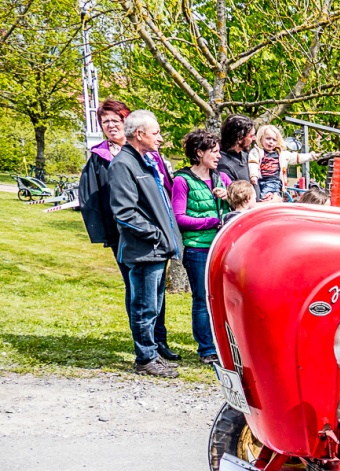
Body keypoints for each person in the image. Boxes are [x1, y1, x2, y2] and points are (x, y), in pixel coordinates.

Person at [78, 100, 176, 362]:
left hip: (152, 238)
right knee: (140, 295)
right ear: (140, 133)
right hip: (132, 238)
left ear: (127, 124)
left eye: (115, 120)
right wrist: (151, 233)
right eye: (105, 121)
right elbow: (111, 206)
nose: (110, 126)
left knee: (154, 295)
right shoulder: (109, 160)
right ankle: (146, 353)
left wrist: (166, 231)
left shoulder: (149, 158)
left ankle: (157, 343)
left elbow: (164, 193)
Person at [109, 110, 184, 378]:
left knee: (153, 305)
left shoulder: (145, 162)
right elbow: (124, 212)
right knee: (144, 306)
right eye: (156, 133)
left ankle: (151, 353)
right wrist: (155, 235)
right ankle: (145, 359)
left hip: (156, 249)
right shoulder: (123, 165)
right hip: (144, 251)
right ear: (139, 134)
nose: (160, 138)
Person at [172, 129, 231, 366]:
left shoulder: (222, 178)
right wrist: (213, 222)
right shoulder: (182, 181)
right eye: (214, 152)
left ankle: (224, 346)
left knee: (223, 299)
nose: (219, 156)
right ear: (199, 152)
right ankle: (207, 349)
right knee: (202, 299)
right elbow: (180, 218)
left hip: (222, 247)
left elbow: (241, 203)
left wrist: (228, 197)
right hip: (198, 249)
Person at [248, 125, 320, 201]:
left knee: (266, 196)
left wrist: (311, 156)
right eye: (268, 138)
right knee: (257, 196)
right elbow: (253, 163)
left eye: (274, 140)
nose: (271, 142)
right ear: (260, 138)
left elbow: (296, 157)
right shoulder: (257, 151)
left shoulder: (282, 154)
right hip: (260, 180)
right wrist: (253, 175)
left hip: (273, 181)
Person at [216, 114, 256, 195]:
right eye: (251, 136)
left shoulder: (247, 156)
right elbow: (237, 201)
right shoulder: (221, 163)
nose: (254, 138)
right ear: (240, 138)